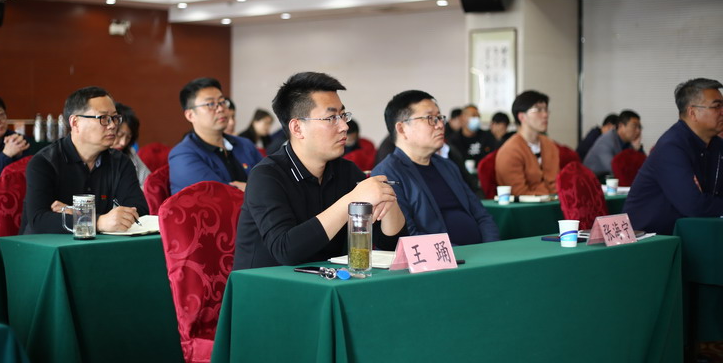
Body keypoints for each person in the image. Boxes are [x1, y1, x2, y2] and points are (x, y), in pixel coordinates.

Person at [233, 72, 405, 270]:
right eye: (331, 118)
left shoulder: (346, 171)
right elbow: (285, 250)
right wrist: (350, 200)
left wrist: (387, 198)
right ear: (297, 128)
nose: (344, 126)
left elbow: (390, 245)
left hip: (329, 280)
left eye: (343, 115)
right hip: (268, 283)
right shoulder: (266, 176)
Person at [372, 90, 499, 245]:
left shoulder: (447, 166)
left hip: (480, 252)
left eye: (439, 118)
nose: (440, 125)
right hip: (443, 258)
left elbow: (482, 216)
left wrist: (491, 246)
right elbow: (407, 236)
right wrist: (457, 253)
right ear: (402, 129)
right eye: (430, 118)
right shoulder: (387, 173)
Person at [21, 86, 147, 235]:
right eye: (103, 118)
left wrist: (75, 213)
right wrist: (97, 221)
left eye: (114, 118)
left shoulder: (120, 162)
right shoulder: (44, 162)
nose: (113, 125)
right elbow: (39, 220)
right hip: (45, 245)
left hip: (97, 244)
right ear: (75, 122)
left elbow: (140, 210)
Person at [625, 78, 723, 235]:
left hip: (691, 232)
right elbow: (693, 204)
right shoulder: (671, 147)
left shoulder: (716, 144)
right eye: (717, 106)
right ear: (693, 113)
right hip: (649, 238)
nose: (722, 111)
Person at [169, 77, 262, 194]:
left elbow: (272, 180)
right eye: (210, 104)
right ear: (190, 115)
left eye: (222, 102)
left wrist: (249, 188)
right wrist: (256, 189)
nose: (220, 109)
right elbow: (219, 196)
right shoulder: (182, 155)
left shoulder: (244, 144)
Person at [495, 90, 559, 196]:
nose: (545, 115)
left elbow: (556, 184)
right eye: (538, 110)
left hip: (554, 202)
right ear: (522, 117)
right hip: (527, 205)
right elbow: (519, 193)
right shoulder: (510, 151)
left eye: (546, 110)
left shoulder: (549, 145)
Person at [583, 110, 643, 179]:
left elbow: (643, 168)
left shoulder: (629, 142)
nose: (638, 131)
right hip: (594, 179)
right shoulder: (606, 141)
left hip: (610, 178)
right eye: (634, 126)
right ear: (621, 126)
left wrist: (638, 150)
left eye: (639, 127)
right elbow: (614, 169)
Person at [112, 103, 151, 188]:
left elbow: (147, 181)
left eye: (128, 137)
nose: (123, 143)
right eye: (119, 135)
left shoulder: (130, 153)